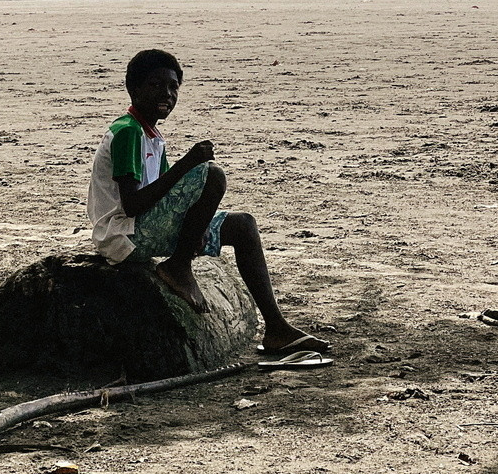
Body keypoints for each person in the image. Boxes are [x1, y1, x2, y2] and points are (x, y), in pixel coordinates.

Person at [87, 47, 328, 357]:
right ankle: (179, 267)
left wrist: (195, 221)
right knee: (210, 173)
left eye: (174, 87)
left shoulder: (152, 136)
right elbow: (132, 204)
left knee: (243, 225)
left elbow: (165, 195)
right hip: (123, 234)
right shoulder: (127, 133)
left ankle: (276, 327)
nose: (167, 94)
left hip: (144, 226)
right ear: (133, 89)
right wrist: (187, 164)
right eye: (156, 84)